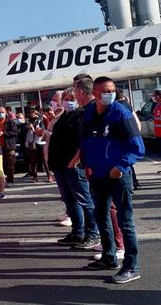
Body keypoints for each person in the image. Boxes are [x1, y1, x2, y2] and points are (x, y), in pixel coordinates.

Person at [80, 76, 144, 283]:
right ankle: (109, 257)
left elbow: (137, 147)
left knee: (125, 220)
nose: (110, 94)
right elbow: (86, 141)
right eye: (105, 91)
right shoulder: (89, 112)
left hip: (117, 176)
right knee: (101, 215)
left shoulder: (120, 113)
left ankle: (131, 266)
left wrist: (120, 167)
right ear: (95, 94)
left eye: (112, 90)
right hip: (97, 175)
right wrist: (86, 163)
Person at [48, 87, 99, 249]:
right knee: (70, 201)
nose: (67, 101)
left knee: (85, 200)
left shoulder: (81, 115)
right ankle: (77, 233)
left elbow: (83, 141)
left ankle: (92, 233)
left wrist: (74, 162)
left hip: (73, 165)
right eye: (65, 98)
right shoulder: (63, 116)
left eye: (71, 98)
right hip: (60, 165)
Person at [0, 107, 18, 186]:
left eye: (2, 112)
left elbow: (14, 132)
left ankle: (10, 180)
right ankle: (1, 181)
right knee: (0, 165)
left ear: (6, 113)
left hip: (9, 146)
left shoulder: (10, 122)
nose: (0, 113)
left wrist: (4, 133)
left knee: (10, 164)